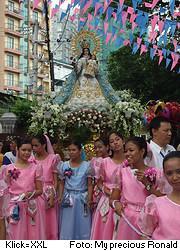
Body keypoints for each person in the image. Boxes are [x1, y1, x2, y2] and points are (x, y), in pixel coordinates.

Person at [111, 136, 164, 240]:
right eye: (126, 151)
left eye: (131, 150)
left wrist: (146, 183)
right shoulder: (121, 172)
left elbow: (162, 197)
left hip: (148, 220)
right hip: (127, 219)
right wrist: (115, 203)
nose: (127, 154)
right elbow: (113, 198)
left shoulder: (157, 173)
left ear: (142, 151)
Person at [2, 138, 45, 240]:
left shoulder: (36, 168)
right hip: (14, 207)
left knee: (33, 235)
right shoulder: (8, 169)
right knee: (15, 235)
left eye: (29, 150)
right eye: (24, 150)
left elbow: (40, 190)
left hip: (31, 207)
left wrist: (30, 194)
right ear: (17, 149)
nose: (27, 153)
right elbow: (6, 190)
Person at [91, 131, 126, 240]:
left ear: (123, 140)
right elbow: (99, 183)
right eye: (112, 141)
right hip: (107, 200)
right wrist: (108, 192)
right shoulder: (104, 162)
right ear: (109, 145)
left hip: (124, 201)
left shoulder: (129, 161)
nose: (115, 143)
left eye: (117, 139)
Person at [138, 151, 180, 240]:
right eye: (169, 173)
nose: (175, 177)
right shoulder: (155, 204)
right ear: (164, 175)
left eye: (179, 171)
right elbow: (145, 235)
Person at [58, 140, 93, 240]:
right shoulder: (64, 165)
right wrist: (60, 196)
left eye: (74, 150)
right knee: (67, 223)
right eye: (69, 150)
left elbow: (90, 184)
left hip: (82, 198)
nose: (71, 152)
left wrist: (89, 199)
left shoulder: (87, 165)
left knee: (82, 222)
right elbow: (61, 182)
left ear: (80, 151)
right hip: (68, 198)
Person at [31, 135, 60, 240]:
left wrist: (52, 195)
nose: (34, 148)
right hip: (35, 194)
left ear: (44, 145)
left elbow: (56, 180)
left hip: (49, 193)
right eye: (32, 145)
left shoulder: (53, 158)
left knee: (49, 223)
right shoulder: (31, 159)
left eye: (36, 145)